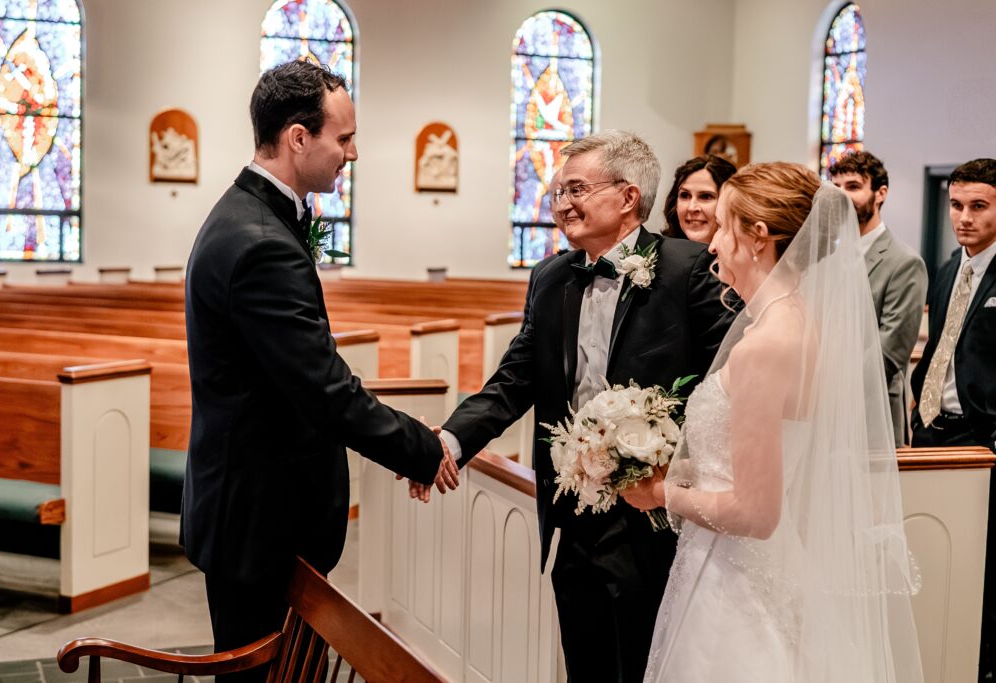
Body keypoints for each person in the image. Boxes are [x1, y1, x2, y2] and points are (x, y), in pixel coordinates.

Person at [415, 130, 733, 682]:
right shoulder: (550, 277)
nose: (562, 204)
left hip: (654, 516)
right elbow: (513, 380)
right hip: (572, 515)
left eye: (577, 189)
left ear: (629, 197)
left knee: (645, 665)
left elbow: (729, 383)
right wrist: (449, 441)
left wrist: (674, 462)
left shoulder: (690, 268)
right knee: (583, 662)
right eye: (558, 192)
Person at [181, 60, 456, 680]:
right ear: (298, 138)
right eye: (344, 138)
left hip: (252, 511)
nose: (352, 153)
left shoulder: (253, 217)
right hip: (261, 523)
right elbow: (323, 390)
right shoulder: (259, 243)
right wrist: (421, 447)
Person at [624, 163, 923, 682]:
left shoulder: (766, 346)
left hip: (734, 577)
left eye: (722, 225)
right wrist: (682, 465)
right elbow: (763, 459)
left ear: (758, 236)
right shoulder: (798, 322)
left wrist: (659, 494)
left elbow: (756, 512)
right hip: (749, 563)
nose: (712, 243)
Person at [909, 157, 996, 680]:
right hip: (934, 430)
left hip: (982, 436)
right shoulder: (947, 270)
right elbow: (941, 345)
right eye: (957, 206)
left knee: (979, 562)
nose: (964, 218)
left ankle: (978, 661)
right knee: (936, 551)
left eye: (979, 207)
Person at [830, 151, 927, 445]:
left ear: (880, 193)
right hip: (824, 417)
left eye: (853, 187)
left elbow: (889, 354)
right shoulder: (828, 258)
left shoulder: (904, 262)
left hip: (871, 415)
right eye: (836, 188)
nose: (842, 197)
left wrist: (822, 389)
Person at [662, 155, 737, 243]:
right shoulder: (659, 252)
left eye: (706, 196)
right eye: (685, 195)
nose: (692, 208)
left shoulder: (749, 255)